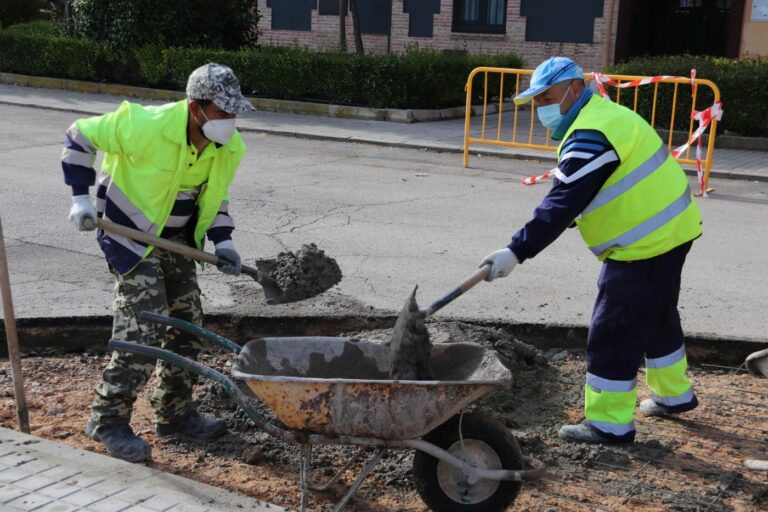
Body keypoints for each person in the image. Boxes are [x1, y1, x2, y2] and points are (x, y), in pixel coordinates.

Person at [480, 56, 702, 444]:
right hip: (672, 231)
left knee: (612, 329)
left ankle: (609, 423)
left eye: (545, 97)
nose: (540, 108)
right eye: (535, 101)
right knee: (657, 314)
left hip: (643, 245)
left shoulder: (590, 136)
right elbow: (584, 195)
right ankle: (674, 396)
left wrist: (515, 251)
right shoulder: (604, 115)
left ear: (575, 88)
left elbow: (561, 204)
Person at [61, 63, 254, 462]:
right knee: (143, 328)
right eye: (223, 112)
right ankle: (107, 420)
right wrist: (80, 197)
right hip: (129, 234)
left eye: (234, 113)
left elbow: (215, 197)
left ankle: (174, 413)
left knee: (188, 325)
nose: (230, 122)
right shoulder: (143, 125)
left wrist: (225, 242)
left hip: (177, 238)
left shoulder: (229, 146)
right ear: (195, 107)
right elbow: (79, 135)